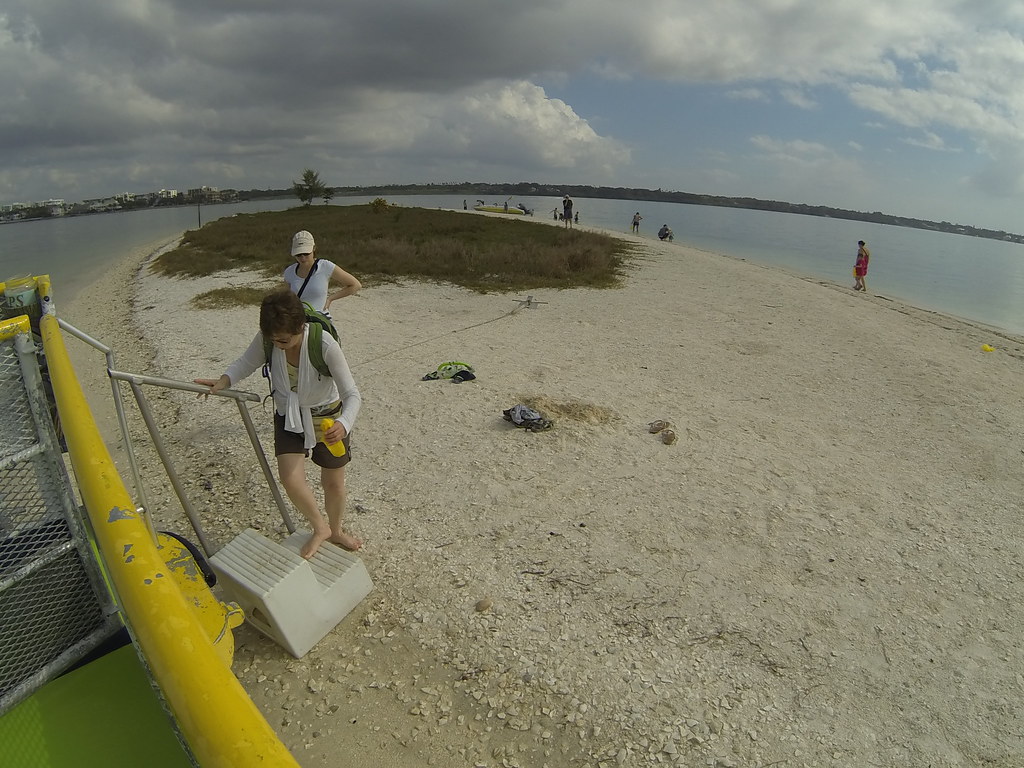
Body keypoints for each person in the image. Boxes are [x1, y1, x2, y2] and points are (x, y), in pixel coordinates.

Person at [194, 289, 363, 559]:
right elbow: (245, 363)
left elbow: (352, 394)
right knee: (290, 478)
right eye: (274, 340)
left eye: (284, 340)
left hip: (328, 418)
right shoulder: (269, 338)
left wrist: (344, 423)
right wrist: (223, 381)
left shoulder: (324, 345)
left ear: (301, 327)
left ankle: (337, 530)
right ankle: (321, 528)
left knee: (334, 484)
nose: (279, 345)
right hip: (289, 414)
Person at [282, 230, 361, 318]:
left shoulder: (325, 266)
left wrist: (330, 299)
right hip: (298, 320)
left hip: (320, 318)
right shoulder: (289, 272)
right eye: (299, 254)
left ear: (314, 248)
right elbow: (288, 299)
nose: (303, 258)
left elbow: (355, 285)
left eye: (306, 253)